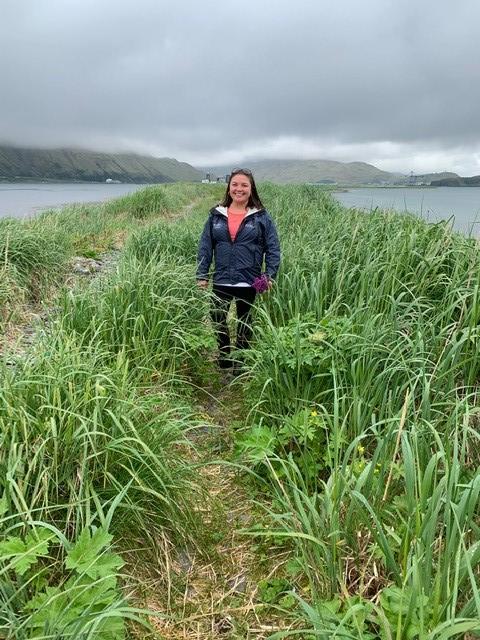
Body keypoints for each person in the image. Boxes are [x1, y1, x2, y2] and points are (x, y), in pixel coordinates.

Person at [196, 168, 281, 370]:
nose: (239, 189)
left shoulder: (261, 217)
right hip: (221, 278)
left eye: (244, 185)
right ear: (229, 187)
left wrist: (269, 275)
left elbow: (273, 248)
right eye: (235, 184)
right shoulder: (216, 215)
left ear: (251, 189)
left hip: (249, 280)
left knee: (245, 321)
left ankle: (240, 361)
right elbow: (205, 247)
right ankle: (224, 355)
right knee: (217, 317)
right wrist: (201, 274)